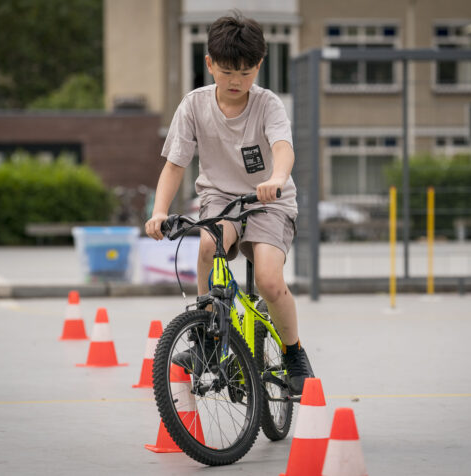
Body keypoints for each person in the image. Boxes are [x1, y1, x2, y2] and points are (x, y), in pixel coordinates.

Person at [145, 12, 313, 395]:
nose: (236, 82)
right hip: (221, 198)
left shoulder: (268, 105)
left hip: (270, 199)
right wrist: (158, 212)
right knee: (208, 245)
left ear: (259, 66)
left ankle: (293, 352)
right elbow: (174, 166)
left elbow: (283, 149)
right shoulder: (193, 106)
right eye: (225, 72)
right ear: (209, 64)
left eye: (245, 73)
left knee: (270, 279)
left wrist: (276, 178)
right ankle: (206, 335)